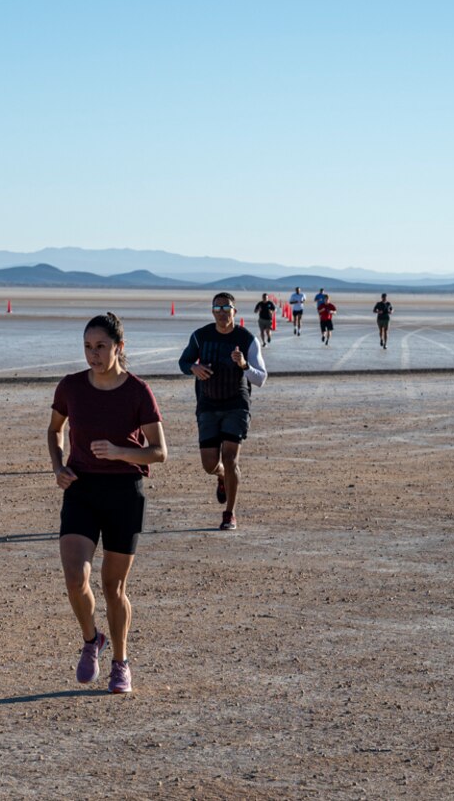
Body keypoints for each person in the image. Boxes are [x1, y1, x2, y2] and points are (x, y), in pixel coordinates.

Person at [47, 312, 167, 694]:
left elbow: (159, 452)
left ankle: (121, 662)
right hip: (81, 489)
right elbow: (54, 430)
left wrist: (119, 452)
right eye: (87, 347)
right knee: (74, 577)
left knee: (113, 587)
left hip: (124, 493)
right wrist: (58, 465)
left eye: (100, 347)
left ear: (119, 347)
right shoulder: (70, 387)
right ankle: (90, 640)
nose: (93, 355)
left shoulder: (137, 392)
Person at [178, 292, 268, 531]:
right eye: (217, 309)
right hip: (208, 403)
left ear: (234, 312)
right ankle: (221, 476)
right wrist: (194, 367)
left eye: (226, 308)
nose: (222, 313)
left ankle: (230, 513)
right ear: (212, 312)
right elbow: (183, 362)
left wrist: (243, 365)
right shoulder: (200, 336)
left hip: (236, 404)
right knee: (210, 464)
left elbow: (261, 378)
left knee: (231, 459)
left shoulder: (247, 339)